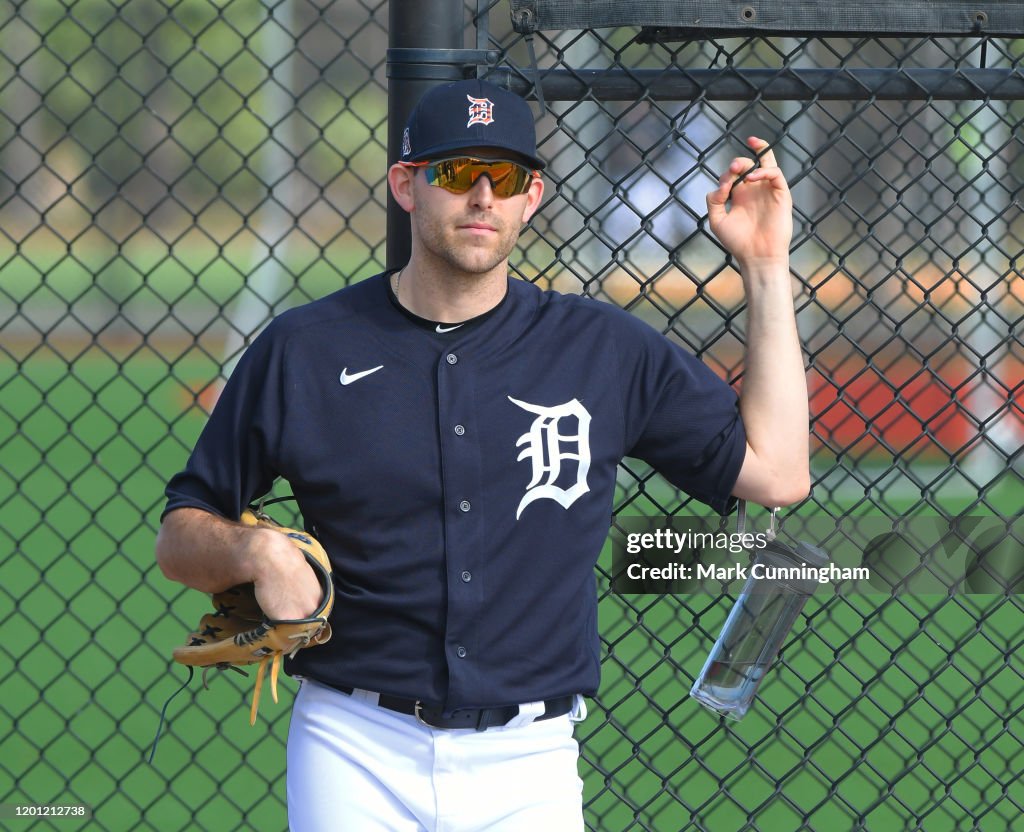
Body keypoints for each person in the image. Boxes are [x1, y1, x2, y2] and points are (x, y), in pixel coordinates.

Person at [155, 78, 809, 831]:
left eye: (507, 179)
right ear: (407, 185)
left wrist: (764, 266)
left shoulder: (602, 350)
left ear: (532, 198)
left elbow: (779, 472)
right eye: (459, 173)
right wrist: (256, 551)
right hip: (353, 744)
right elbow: (182, 533)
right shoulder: (306, 348)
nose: (483, 198)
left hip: (529, 760)